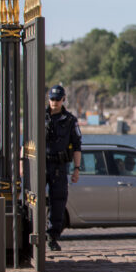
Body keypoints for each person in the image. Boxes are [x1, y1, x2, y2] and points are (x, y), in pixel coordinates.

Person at [45, 85, 82, 252]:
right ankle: (33, 233)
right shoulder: (40, 117)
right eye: (52, 99)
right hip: (41, 165)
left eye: (57, 99)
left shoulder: (69, 120)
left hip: (59, 166)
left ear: (63, 99)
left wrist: (77, 169)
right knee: (33, 200)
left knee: (58, 202)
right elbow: (28, 141)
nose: (54, 102)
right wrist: (23, 164)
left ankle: (52, 236)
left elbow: (77, 146)